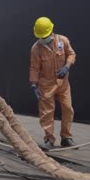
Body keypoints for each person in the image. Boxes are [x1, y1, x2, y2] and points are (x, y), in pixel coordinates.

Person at [29, 17, 77, 150]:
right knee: (47, 112)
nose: (43, 38)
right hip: (46, 83)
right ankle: (49, 138)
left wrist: (67, 66)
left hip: (63, 82)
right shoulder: (36, 49)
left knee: (68, 108)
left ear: (51, 31)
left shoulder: (63, 40)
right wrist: (34, 84)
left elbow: (71, 54)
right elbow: (34, 67)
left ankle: (66, 137)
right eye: (41, 36)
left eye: (45, 35)